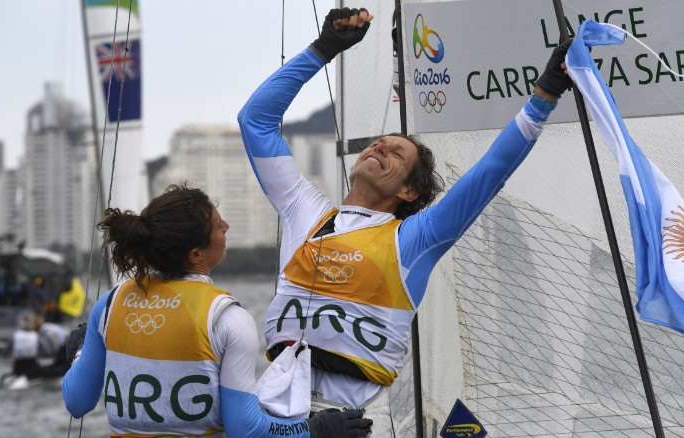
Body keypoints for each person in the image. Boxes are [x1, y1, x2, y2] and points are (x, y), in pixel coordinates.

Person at [237, 7, 573, 435]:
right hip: (274, 419)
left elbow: (488, 173)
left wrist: (545, 95)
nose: (380, 147)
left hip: (351, 421)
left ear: (409, 192)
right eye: (379, 143)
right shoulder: (305, 210)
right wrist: (323, 50)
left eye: (396, 153)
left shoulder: (413, 239)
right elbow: (255, 122)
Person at [61, 185, 373, 437]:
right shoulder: (226, 317)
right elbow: (245, 429)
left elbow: (77, 401)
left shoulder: (111, 303)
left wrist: (80, 351)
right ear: (195, 253)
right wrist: (315, 430)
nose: (226, 225)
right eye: (217, 225)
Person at [0, 314, 71, 388]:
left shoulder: (46, 330)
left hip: (66, 347)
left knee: (57, 368)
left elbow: (52, 348)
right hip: (65, 347)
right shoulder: (43, 329)